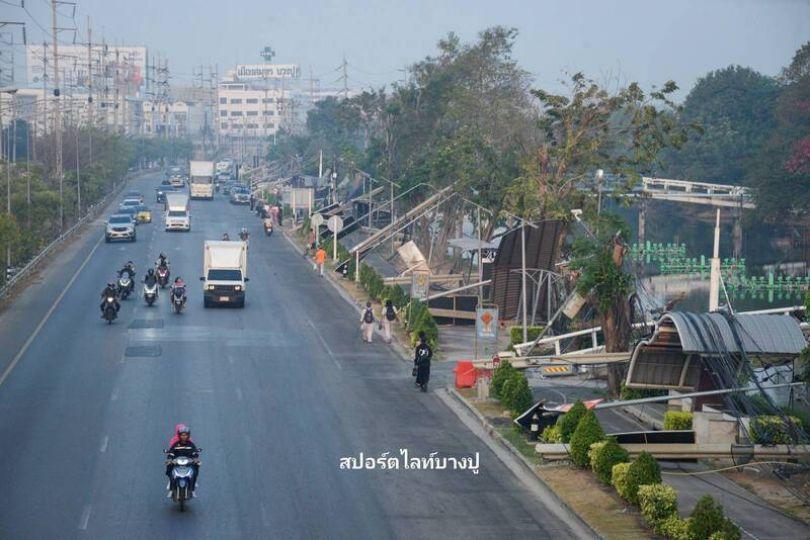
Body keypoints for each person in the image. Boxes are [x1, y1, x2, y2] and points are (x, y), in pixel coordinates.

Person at [166, 425, 200, 496]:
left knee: (195, 470)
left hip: (188, 462)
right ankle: (171, 489)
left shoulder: (191, 445)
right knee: (170, 469)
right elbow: (171, 453)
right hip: (176, 462)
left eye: (185, 435)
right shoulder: (175, 444)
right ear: (179, 435)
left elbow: (195, 453)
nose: (184, 437)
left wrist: (196, 459)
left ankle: (192, 489)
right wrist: (169, 459)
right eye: (182, 435)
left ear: (188, 436)